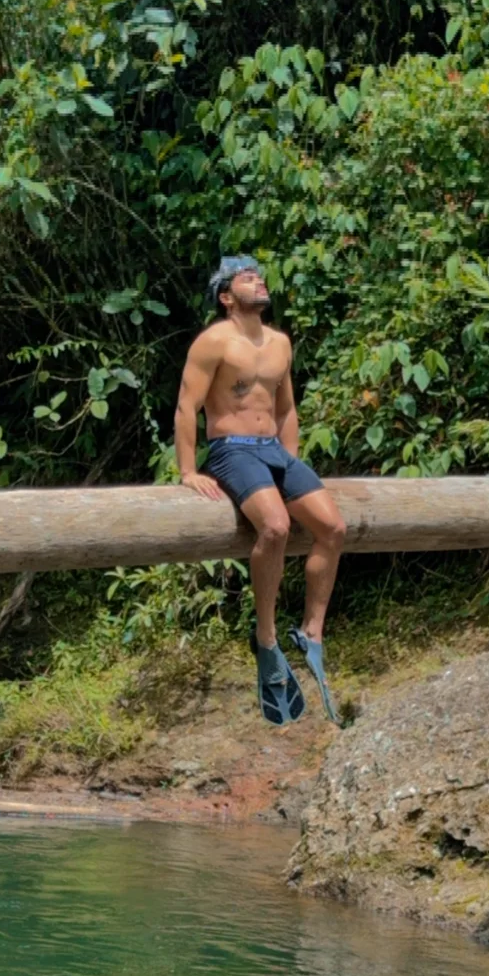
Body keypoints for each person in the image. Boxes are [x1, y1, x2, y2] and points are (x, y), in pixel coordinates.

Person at [174, 255, 346, 727]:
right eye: (246, 279)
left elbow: (285, 408)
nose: (258, 281)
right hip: (231, 449)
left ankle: (312, 633)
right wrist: (188, 470)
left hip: (273, 451)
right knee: (275, 527)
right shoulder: (214, 341)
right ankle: (266, 639)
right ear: (226, 297)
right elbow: (187, 406)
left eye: (259, 276)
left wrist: (291, 462)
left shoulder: (280, 343)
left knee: (333, 528)